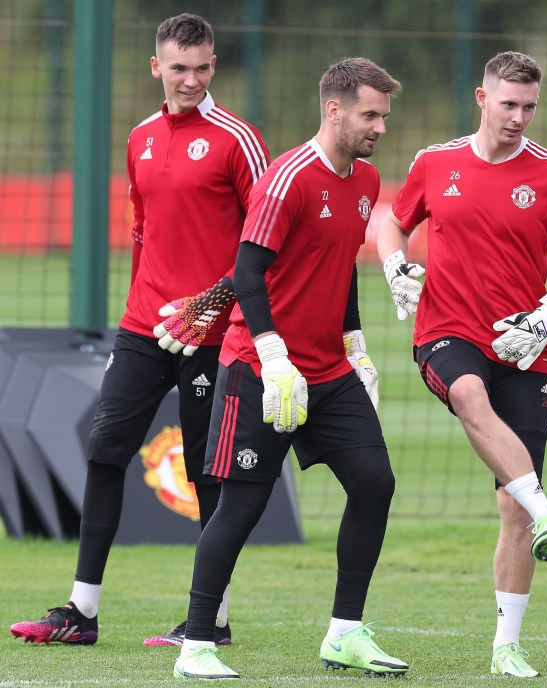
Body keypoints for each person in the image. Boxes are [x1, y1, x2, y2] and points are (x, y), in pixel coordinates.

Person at [9, 13, 269, 648]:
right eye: (178, 68)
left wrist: (214, 303)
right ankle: (80, 611)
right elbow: (142, 232)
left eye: (202, 67)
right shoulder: (140, 138)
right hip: (143, 328)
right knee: (103, 453)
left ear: (213, 65)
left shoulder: (239, 139)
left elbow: (265, 243)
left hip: (213, 332)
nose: (190, 79)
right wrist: (135, 319)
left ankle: (213, 621)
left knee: (210, 474)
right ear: (157, 67)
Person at [377, 50, 547, 678]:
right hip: (447, 335)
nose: (518, 117)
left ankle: (506, 644)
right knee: (470, 395)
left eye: (529, 106)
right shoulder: (435, 162)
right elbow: (390, 224)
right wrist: (395, 265)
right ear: (482, 99)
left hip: (526, 347)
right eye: (508, 103)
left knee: (511, 505)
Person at [171, 57, 406, 680]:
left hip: (329, 372)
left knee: (375, 483)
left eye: (383, 115)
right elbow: (247, 272)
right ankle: (197, 645)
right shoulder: (287, 179)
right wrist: (272, 354)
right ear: (334, 109)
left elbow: (342, 264)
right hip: (259, 368)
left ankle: (345, 634)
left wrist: (355, 345)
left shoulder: (367, 181)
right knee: (242, 509)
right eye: (370, 114)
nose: (379, 126)